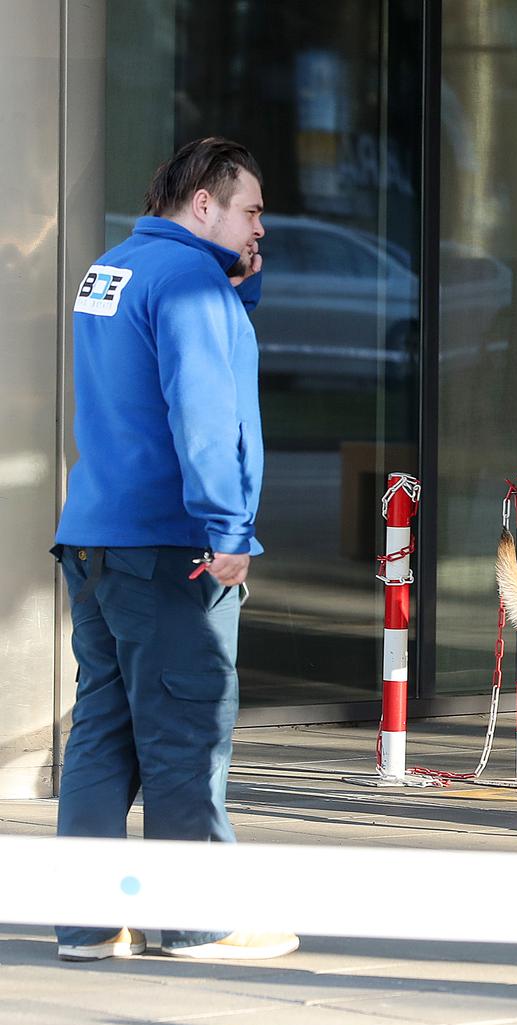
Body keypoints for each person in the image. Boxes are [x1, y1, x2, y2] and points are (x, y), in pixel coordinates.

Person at [53, 137, 297, 963]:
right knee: (187, 731)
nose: (260, 227)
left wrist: (240, 283)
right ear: (203, 205)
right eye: (251, 211)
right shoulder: (190, 282)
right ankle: (199, 923)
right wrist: (228, 529)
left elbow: (166, 356)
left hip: (97, 538)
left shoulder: (114, 268)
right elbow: (205, 414)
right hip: (170, 547)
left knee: (104, 733)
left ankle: (88, 926)